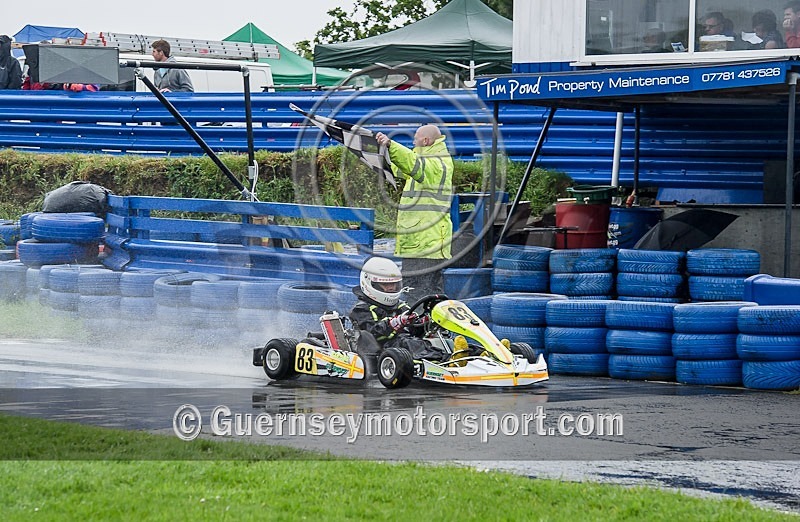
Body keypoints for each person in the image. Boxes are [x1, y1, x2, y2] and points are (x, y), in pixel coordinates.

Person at [375, 124, 453, 303]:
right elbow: (400, 167)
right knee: (422, 295)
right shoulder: (426, 160)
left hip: (425, 243)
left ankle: (420, 330)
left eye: (415, 138)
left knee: (418, 297)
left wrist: (391, 145)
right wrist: (380, 152)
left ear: (425, 141)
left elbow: (413, 163)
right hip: (420, 242)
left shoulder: (437, 163)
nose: (413, 142)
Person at [349, 256, 452, 362]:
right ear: (371, 283)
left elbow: (413, 330)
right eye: (385, 284)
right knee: (406, 342)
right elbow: (373, 333)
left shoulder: (400, 306)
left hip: (402, 349)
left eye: (394, 283)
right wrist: (394, 323)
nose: (391, 288)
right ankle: (443, 360)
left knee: (431, 340)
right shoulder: (361, 310)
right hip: (379, 353)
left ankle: (456, 354)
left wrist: (424, 322)